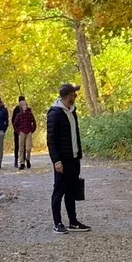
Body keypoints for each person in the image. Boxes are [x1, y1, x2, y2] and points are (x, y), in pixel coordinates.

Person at [47, 83, 88, 233]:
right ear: (68, 96)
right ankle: (57, 223)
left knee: (71, 190)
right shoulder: (54, 114)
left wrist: (78, 154)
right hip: (62, 160)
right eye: (74, 95)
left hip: (74, 158)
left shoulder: (72, 112)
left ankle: (73, 222)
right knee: (59, 191)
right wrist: (56, 160)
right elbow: (51, 140)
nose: (76, 97)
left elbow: (74, 135)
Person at [11, 96, 37, 169]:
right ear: (21, 107)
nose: (25, 106)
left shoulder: (29, 113)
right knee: (21, 148)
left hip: (28, 132)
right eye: (23, 105)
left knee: (28, 148)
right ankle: (21, 163)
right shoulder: (18, 114)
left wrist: (32, 130)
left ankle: (28, 159)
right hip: (21, 132)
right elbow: (14, 123)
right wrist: (18, 131)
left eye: (25, 105)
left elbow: (34, 123)